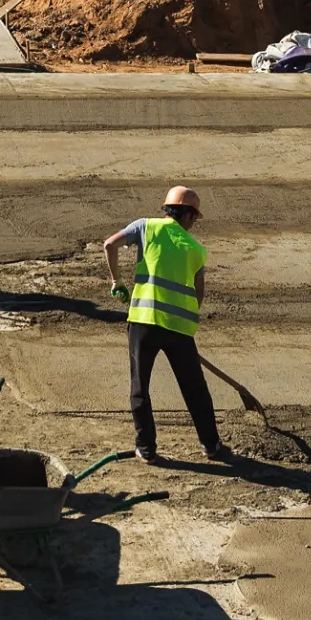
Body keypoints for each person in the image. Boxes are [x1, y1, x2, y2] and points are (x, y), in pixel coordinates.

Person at [104, 185, 227, 466]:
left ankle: (146, 449)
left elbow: (109, 245)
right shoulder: (197, 250)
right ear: (187, 215)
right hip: (179, 330)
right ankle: (211, 445)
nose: (194, 223)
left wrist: (116, 282)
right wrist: (184, 319)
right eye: (194, 217)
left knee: (139, 387)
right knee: (195, 388)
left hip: (143, 324)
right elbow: (199, 294)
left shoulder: (145, 228)